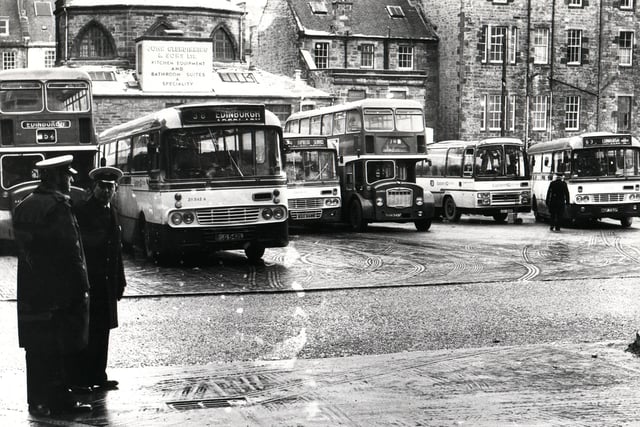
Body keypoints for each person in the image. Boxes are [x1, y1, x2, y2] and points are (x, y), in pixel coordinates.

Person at [12, 155, 92, 416]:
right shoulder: (58, 207)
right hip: (58, 291)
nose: (71, 180)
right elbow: (71, 252)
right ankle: (59, 401)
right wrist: (81, 286)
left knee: (35, 348)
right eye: (67, 175)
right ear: (56, 178)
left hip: (31, 289)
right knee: (58, 346)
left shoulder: (25, 205)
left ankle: (36, 401)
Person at [71, 166, 127, 392]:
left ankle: (99, 374)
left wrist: (120, 280)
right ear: (93, 188)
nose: (106, 191)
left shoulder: (112, 211)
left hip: (106, 282)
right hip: (90, 281)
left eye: (110, 188)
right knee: (87, 331)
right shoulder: (83, 211)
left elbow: (116, 251)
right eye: (102, 187)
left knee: (103, 330)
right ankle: (83, 377)